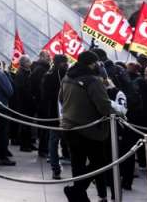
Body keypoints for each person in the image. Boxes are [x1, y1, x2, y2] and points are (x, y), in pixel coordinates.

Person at [61, 50, 117, 202]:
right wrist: (119, 113)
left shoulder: (67, 76)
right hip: (89, 129)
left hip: (69, 126)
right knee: (100, 162)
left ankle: (79, 196)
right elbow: (104, 107)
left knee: (77, 164)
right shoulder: (93, 80)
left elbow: (61, 98)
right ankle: (77, 191)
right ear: (92, 64)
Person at [42, 54, 68, 180]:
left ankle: (56, 169)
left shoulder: (49, 75)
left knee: (54, 142)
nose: (66, 64)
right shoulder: (66, 75)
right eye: (65, 62)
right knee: (59, 141)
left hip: (54, 113)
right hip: (62, 113)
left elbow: (44, 96)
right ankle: (58, 167)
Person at [31, 50, 52, 156]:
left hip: (41, 101)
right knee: (44, 127)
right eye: (48, 56)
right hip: (43, 102)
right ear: (42, 57)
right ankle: (43, 150)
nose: (50, 57)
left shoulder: (40, 68)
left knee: (44, 127)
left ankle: (44, 149)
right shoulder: (41, 69)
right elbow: (39, 87)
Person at [14, 55, 35, 151]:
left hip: (29, 103)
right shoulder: (20, 73)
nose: (30, 63)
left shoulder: (28, 72)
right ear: (24, 63)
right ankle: (24, 145)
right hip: (23, 103)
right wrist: (30, 96)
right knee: (25, 125)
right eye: (28, 61)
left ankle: (29, 143)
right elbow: (21, 89)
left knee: (29, 124)